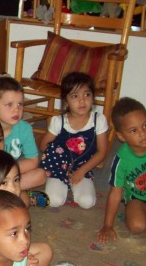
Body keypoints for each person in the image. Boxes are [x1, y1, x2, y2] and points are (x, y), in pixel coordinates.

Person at [97, 98, 146, 243]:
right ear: (121, 136)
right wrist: (107, 225)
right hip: (137, 199)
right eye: (134, 130)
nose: (142, 133)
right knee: (136, 227)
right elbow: (115, 193)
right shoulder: (121, 159)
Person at [39, 72, 109, 209]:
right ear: (66, 101)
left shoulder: (98, 120)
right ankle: (59, 184)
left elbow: (102, 152)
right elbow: (43, 146)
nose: (82, 101)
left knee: (87, 202)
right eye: (75, 96)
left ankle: (74, 184)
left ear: (93, 98)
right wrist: (57, 160)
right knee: (54, 200)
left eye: (87, 95)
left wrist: (82, 171)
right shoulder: (59, 122)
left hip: (83, 166)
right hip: (60, 167)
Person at [0, 76, 49, 207]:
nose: (17, 110)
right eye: (9, 105)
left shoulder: (25, 128)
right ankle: (16, 193)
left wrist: (10, 172)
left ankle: (7, 192)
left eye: (20, 104)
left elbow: (33, 160)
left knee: (41, 175)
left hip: (13, 173)